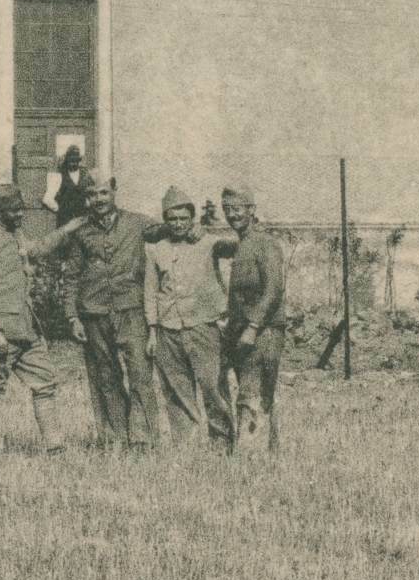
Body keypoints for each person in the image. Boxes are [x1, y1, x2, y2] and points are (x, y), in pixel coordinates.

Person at [48, 177, 154, 448]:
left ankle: (143, 439)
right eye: (93, 194)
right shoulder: (82, 231)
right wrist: (72, 316)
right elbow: (71, 276)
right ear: (87, 198)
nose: (99, 199)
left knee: (140, 374)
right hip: (93, 312)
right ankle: (115, 437)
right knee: (106, 376)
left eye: (104, 192)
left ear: (115, 192)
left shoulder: (138, 223)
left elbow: (172, 228)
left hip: (131, 310)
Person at [0, 182, 63, 452]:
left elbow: (37, 249)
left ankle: (55, 447)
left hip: (26, 329)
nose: (20, 214)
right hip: (0, 334)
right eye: (14, 211)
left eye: (20, 208)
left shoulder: (16, 235)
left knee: (45, 382)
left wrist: (70, 228)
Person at [142, 185, 234, 451]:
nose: (179, 224)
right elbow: (151, 291)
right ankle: (187, 447)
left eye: (184, 218)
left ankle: (222, 445)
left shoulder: (207, 242)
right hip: (168, 329)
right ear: (165, 220)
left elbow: (234, 245)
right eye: (172, 219)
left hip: (203, 326)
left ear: (192, 219)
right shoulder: (156, 249)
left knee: (213, 388)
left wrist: (212, 230)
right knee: (177, 391)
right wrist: (152, 330)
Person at [218, 184, 289, 453]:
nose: (232, 215)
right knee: (256, 393)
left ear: (251, 210)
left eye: (237, 209)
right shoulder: (243, 244)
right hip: (242, 330)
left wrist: (253, 326)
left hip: (264, 332)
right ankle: (267, 454)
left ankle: (250, 460)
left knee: (253, 394)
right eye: (227, 210)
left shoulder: (265, 244)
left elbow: (273, 290)